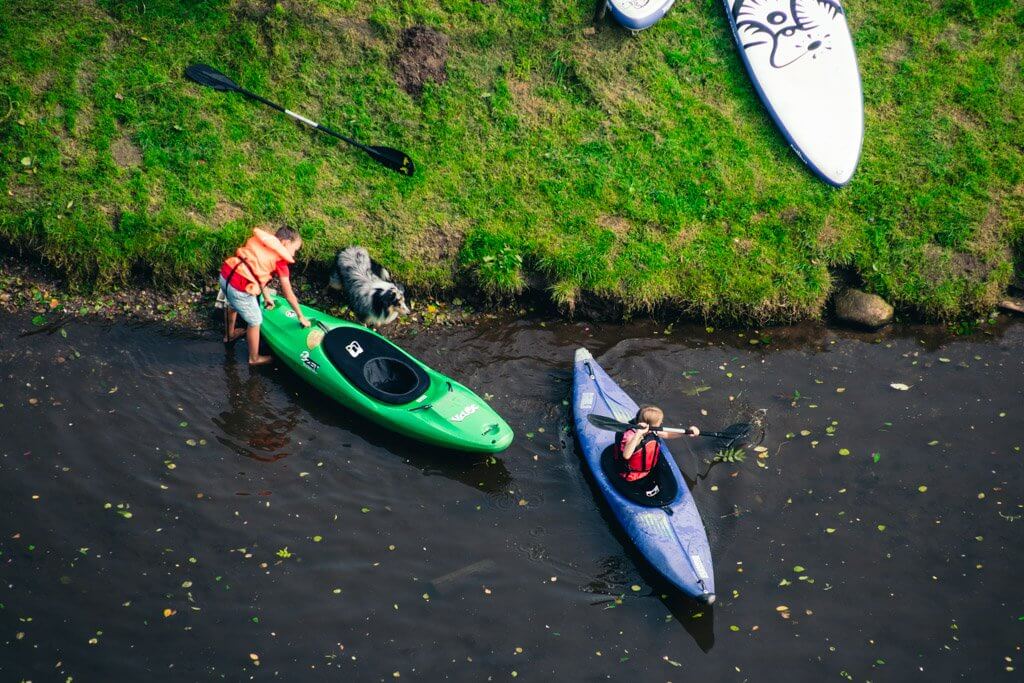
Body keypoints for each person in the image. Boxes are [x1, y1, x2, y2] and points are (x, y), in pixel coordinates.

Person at [219, 226, 310, 366]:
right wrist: (300, 316)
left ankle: (229, 335)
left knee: (233, 304)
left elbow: (256, 272)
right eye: (294, 250)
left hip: (226, 275)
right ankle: (254, 358)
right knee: (255, 321)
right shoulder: (280, 261)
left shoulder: (262, 243)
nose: (293, 255)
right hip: (239, 288)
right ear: (285, 243)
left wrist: (267, 296)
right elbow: (288, 293)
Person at [616, 405, 699, 500]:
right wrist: (638, 434)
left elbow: (667, 434)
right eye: (660, 422)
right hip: (631, 476)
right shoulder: (630, 435)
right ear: (650, 425)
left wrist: (686, 432)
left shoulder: (653, 431)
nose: (662, 423)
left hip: (647, 471)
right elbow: (626, 455)